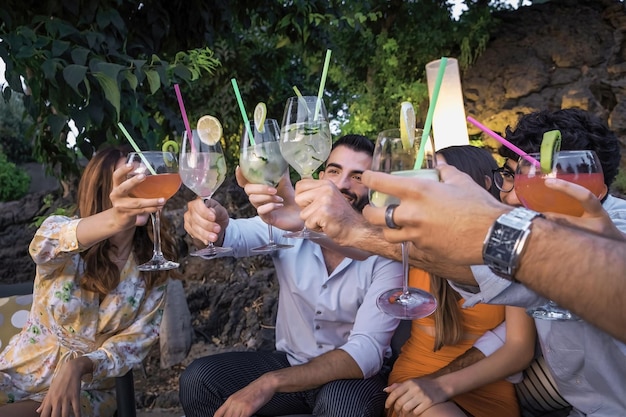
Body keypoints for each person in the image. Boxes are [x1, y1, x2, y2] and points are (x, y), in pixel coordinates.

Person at [179, 135, 403, 417]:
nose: (343, 184)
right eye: (334, 171)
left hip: (353, 378)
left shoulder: (388, 249)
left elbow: (365, 353)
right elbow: (230, 237)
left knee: (341, 406)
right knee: (199, 380)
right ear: (321, 177)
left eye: (358, 176)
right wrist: (212, 225)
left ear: (375, 187)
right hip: (290, 362)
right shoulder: (292, 222)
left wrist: (270, 382)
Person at [0, 146, 177, 417]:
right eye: (129, 177)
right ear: (104, 189)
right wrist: (117, 218)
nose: (141, 183)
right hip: (19, 373)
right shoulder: (66, 238)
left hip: (87, 390)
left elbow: (133, 344)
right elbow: (42, 247)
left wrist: (79, 366)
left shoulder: (152, 266)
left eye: (144, 174)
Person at [385, 145, 536, 417]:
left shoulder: (508, 248)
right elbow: (358, 247)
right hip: (414, 379)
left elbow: (519, 349)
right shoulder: (412, 241)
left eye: (442, 180)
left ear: (484, 184)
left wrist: (439, 385)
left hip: (486, 385)